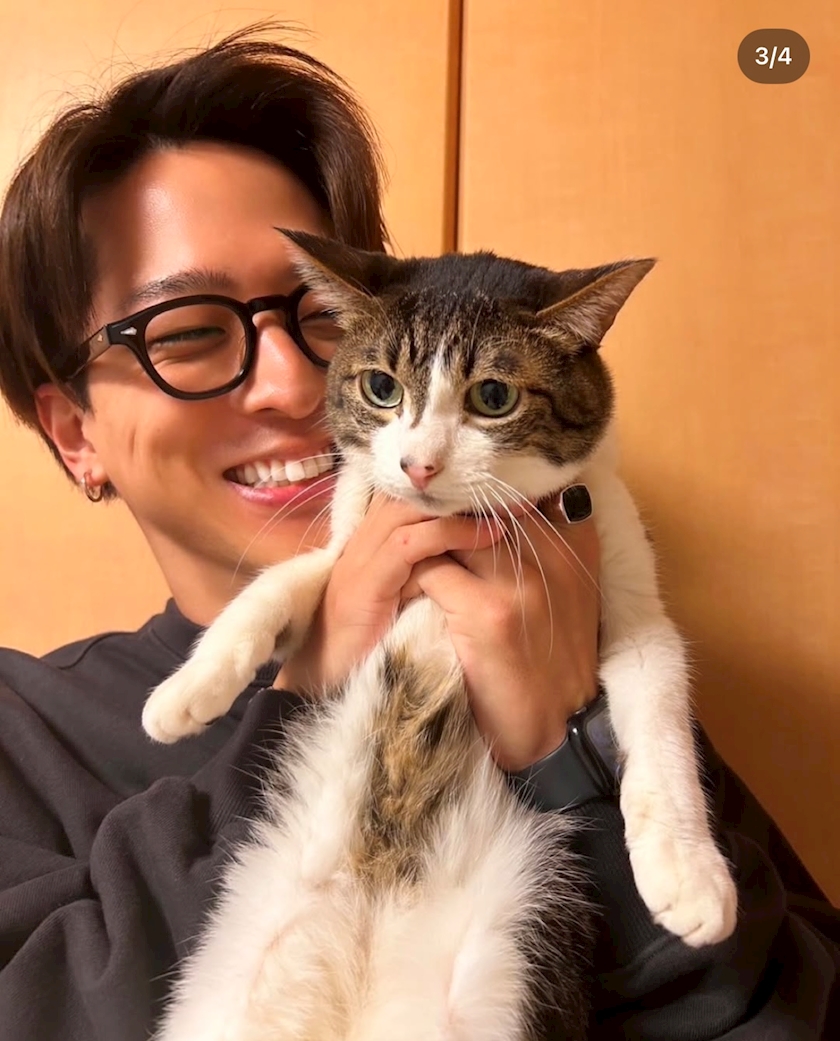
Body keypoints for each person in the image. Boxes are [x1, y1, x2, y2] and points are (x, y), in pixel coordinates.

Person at [0, 26, 836, 1041]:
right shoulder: (24, 732)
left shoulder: (573, 643)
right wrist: (314, 694)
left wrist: (569, 757)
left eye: (319, 317)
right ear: (75, 433)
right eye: (187, 334)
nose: (293, 384)